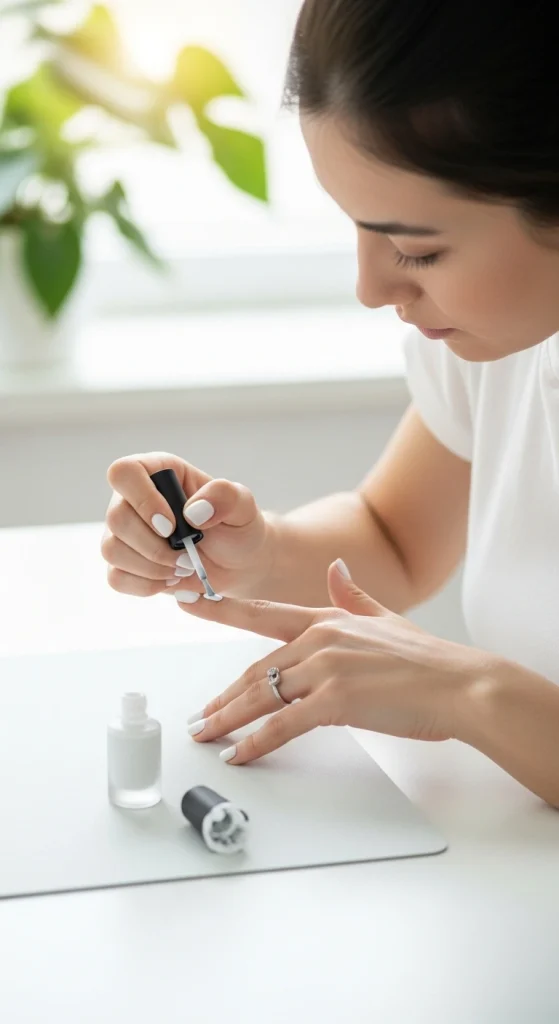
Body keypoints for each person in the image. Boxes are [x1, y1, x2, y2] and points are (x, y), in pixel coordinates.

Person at [101, 0, 559, 807]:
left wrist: (469, 694)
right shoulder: (503, 339)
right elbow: (394, 534)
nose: (369, 287)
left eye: (416, 248)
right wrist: (256, 548)